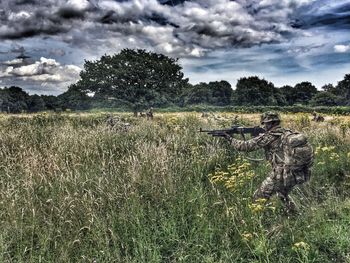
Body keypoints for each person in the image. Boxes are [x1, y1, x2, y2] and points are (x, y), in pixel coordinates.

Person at [223, 111, 313, 213]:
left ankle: (255, 218)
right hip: (295, 173)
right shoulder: (286, 132)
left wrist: (229, 138)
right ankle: (296, 214)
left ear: (270, 123)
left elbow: (245, 146)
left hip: (281, 174)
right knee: (282, 194)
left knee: (259, 196)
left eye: (265, 123)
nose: (264, 126)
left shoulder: (270, 136)